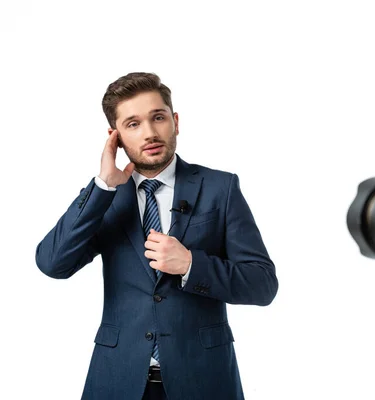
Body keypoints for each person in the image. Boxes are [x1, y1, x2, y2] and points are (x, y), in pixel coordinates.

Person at [35, 72, 278, 400]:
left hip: (204, 379)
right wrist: (103, 186)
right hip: (117, 379)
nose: (149, 132)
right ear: (115, 137)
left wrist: (192, 265)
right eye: (133, 124)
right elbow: (52, 263)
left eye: (158, 118)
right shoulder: (104, 198)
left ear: (175, 121)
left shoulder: (220, 188)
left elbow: (262, 284)